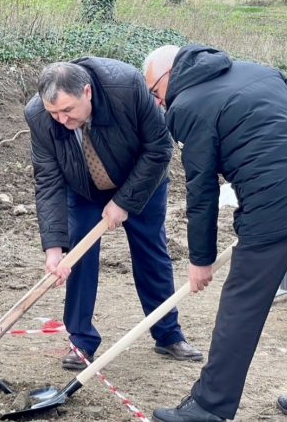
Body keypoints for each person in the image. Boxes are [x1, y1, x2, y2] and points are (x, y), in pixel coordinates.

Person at [143, 44, 287, 422]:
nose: (157, 102)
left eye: (154, 92)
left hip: (274, 203)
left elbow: (202, 189)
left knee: (241, 306)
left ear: (167, 76)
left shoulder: (186, 106)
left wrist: (200, 260)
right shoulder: (255, 69)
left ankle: (210, 405)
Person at [24, 58, 203, 371]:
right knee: (76, 258)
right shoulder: (39, 116)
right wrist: (54, 248)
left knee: (151, 253)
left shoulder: (127, 86)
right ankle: (81, 341)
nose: (62, 120)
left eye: (68, 110)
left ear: (87, 92)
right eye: (54, 113)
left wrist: (123, 202)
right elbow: (48, 180)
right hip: (83, 188)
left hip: (141, 179)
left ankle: (168, 334)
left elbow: (160, 147)